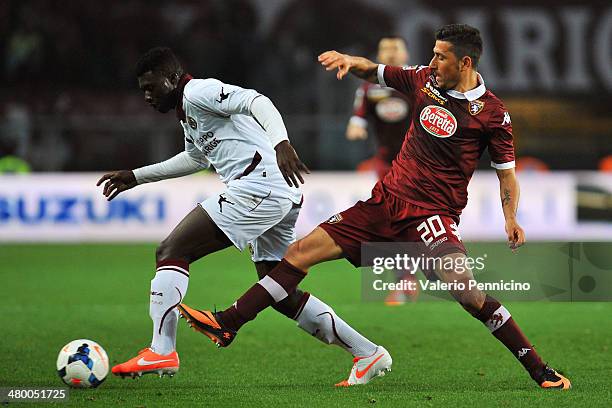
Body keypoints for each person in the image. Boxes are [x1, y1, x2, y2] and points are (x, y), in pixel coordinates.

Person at [180, 25, 572, 390]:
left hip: (430, 217)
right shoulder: (423, 80)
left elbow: (507, 175)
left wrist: (510, 217)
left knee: (468, 295)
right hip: (383, 203)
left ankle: (540, 369)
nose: (432, 62)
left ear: (465, 62)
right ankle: (228, 323)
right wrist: (351, 63)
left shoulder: (492, 114)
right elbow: (376, 72)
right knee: (299, 253)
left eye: (441, 57)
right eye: (432, 55)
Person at [98, 47, 391, 384]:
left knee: (172, 251)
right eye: (143, 90)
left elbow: (257, 101)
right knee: (279, 289)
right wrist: (136, 176)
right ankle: (368, 352)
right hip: (278, 191)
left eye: (151, 87)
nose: (147, 96)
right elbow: (195, 159)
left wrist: (282, 142)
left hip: (259, 187)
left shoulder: (199, 91)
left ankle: (162, 351)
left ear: (172, 79)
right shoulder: (188, 113)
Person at [346, 36, 416, 305]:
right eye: (385, 48)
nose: (390, 53)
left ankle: (409, 279)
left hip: (419, 163)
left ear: (405, 52)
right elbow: (358, 116)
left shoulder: (418, 82)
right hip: (387, 164)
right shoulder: (369, 88)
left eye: (395, 48)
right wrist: (356, 125)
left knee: (406, 219)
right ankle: (405, 280)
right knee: (397, 218)